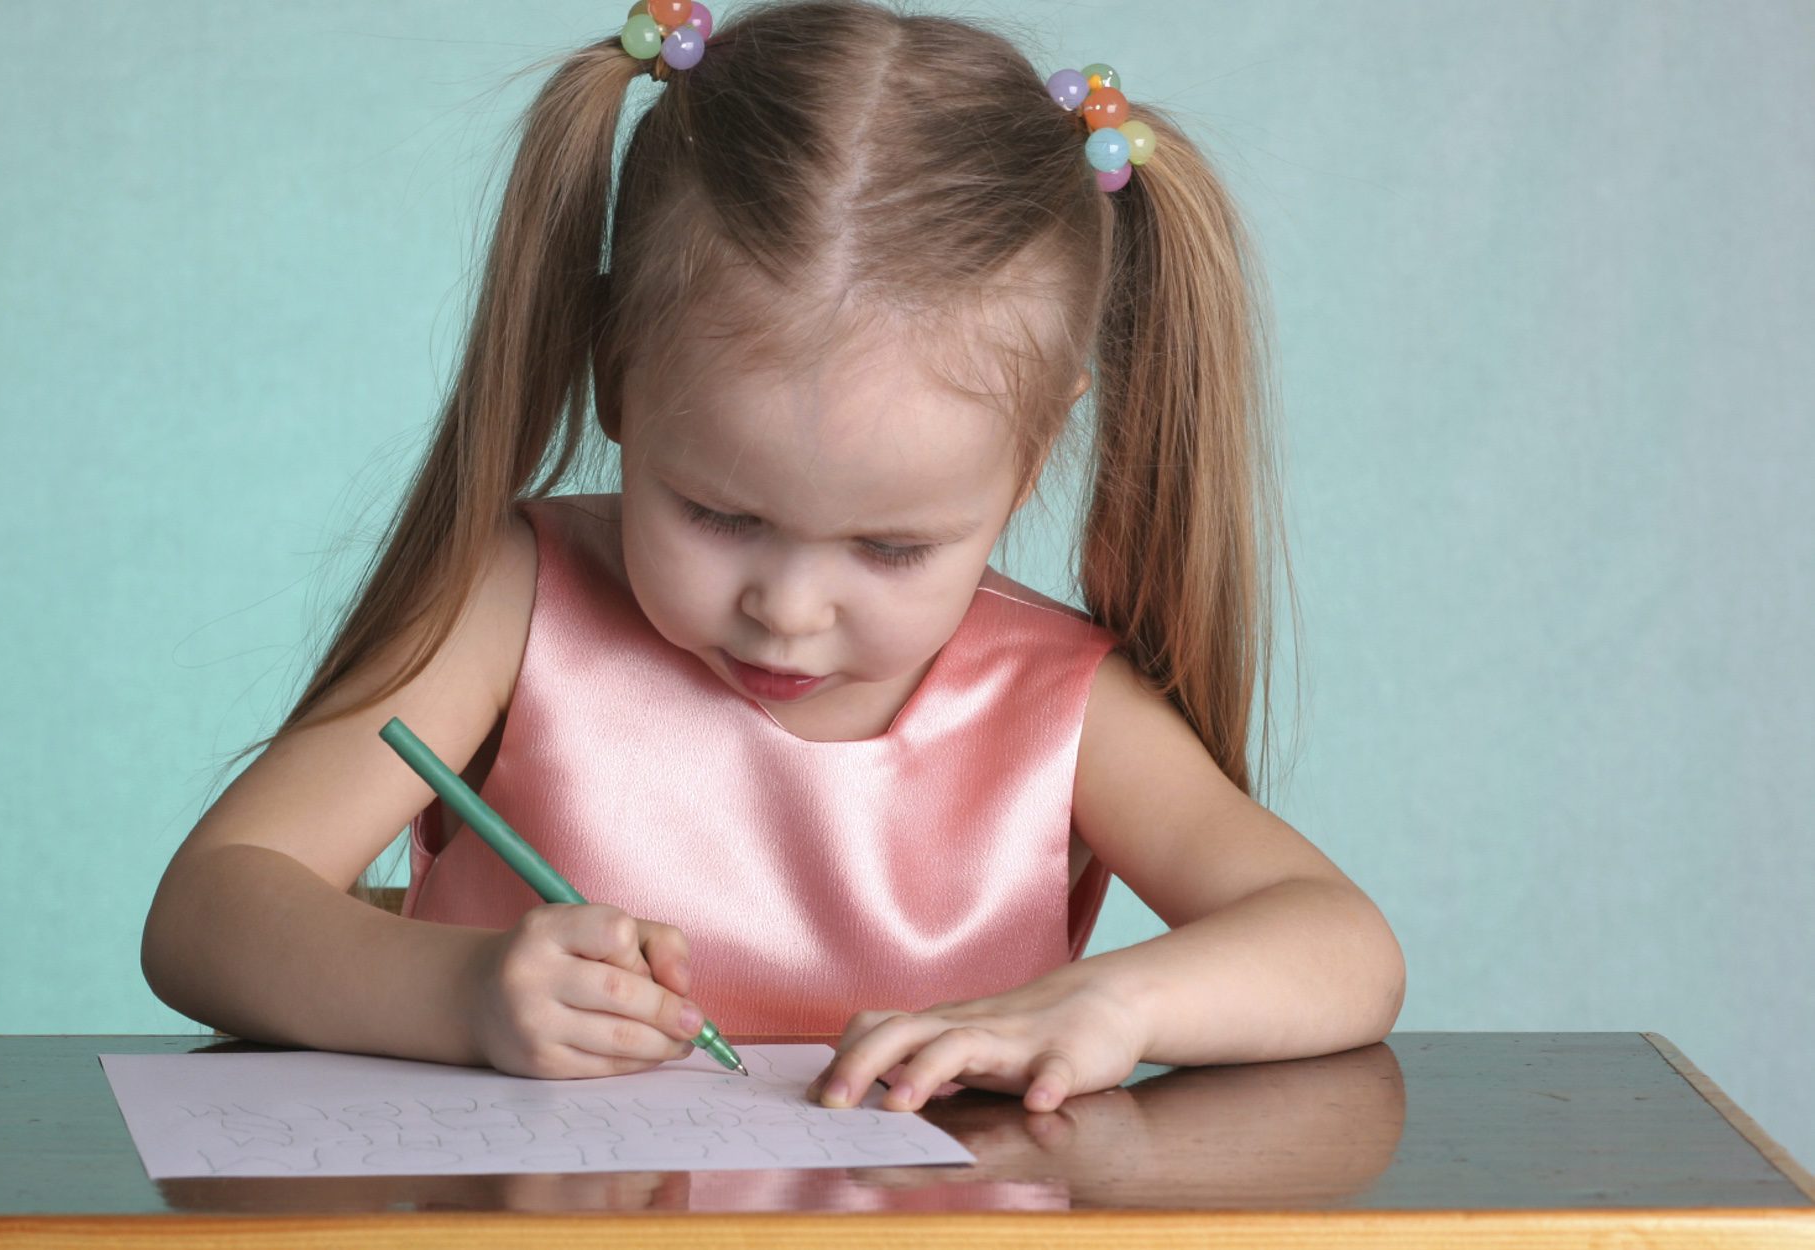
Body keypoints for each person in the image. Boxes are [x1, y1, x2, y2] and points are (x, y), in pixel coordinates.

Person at [141, 0, 1406, 1116]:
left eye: (895, 545)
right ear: (617, 375)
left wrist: (1109, 1005)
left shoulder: (1063, 703)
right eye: (721, 516)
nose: (789, 610)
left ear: (1031, 457)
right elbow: (207, 908)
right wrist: (463, 988)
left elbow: (1341, 942)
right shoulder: (514, 602)